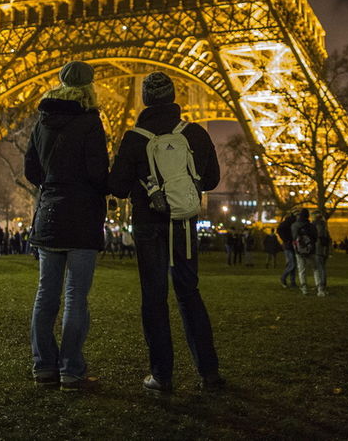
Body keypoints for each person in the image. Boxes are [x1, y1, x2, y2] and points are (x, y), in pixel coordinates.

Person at [109, 71, 224, 394]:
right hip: (183, 222)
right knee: (189, 293)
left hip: (148, 224)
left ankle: (161, 375)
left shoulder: (134, 138)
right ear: (174, 97)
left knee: (154, 297)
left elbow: (117, 186)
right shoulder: (195, 134)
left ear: (145, 99)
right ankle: (209, 372)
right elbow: (212, 179)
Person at [24, 60, 109, 391]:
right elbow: (98, 172)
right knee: (75, 297)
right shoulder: (90, 121)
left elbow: (31, 170)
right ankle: (71, 370)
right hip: (82, 217)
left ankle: (43, 366)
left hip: (49, 215)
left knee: (45, 294)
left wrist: (51, 185)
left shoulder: (42, 122)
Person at [291, 209, 317, 296]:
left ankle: (304, 288)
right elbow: (315, 237)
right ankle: (319, 287)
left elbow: (294, 237)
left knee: (302, 270)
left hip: (299, 250)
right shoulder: (311, 226)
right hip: (310, 249)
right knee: (315, 268)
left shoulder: (294, 225)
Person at [312, 211, 331, 297]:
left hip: (318, 249)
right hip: (323, 249)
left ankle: (321, 285)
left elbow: (318, 237)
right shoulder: (324, 225)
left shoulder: (317, 226)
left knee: (319, 268)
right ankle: (321, 284)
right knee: (321, 267)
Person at [277, 210, 297, 288]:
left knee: (291, 264)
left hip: (289, 245)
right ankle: (283, 278)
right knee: (292, 264)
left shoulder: (288, 223)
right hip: (288, 245)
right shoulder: (289, 223)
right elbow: (280, 229)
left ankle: (292, 282)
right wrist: (286, 239)